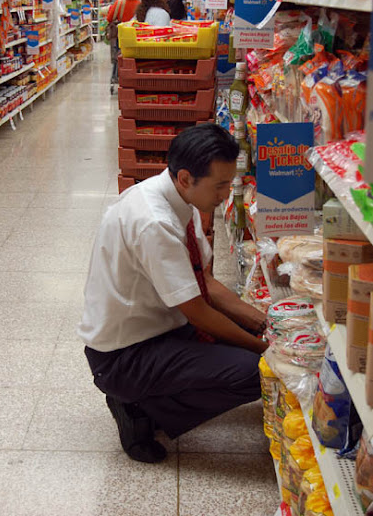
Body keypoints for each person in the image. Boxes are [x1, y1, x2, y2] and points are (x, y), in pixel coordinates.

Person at [78, 123, 268, 464]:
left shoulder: (177, 197)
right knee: (258, 371)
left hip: (160, 326)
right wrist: (265, 350)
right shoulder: (155, 222)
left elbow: (204, 281)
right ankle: (139, 408)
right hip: (124, 356)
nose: (227, 193)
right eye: (220, 185)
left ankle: (153, 394)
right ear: (185, 177)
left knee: (253, 337)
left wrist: (263, 323)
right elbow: (197, 310)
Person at [106, 0, 140, 85]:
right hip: (136, 36)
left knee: (119, 55)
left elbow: (109, 18)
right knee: (134, 57)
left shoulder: (119, 3)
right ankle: (133, 77)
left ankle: (116, 77)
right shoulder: (140, 5)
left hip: (121, 35)